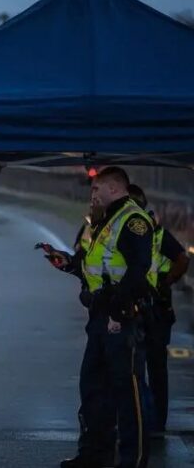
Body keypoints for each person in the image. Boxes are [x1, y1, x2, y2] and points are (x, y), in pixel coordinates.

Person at [51, 167, 153, 468]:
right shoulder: (104, 221)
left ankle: (132, 461)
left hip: (120, 318)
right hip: (99, 317)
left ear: (114, 188)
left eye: (97, 189)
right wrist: (68, 264)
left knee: (127, 393)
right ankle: (94, 455)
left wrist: (116, 306)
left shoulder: (133, 221)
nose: (92, 194)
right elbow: (95, 266)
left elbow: (138, 270)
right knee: (93, 388)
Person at [128, 184, 190, 436]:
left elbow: (182, 258)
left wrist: (166, 282)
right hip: (138, 308)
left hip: (157, 310)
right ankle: (141, 418)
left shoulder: (156, 234)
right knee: (136, 367)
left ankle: (155, 423)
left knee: (154, 367)